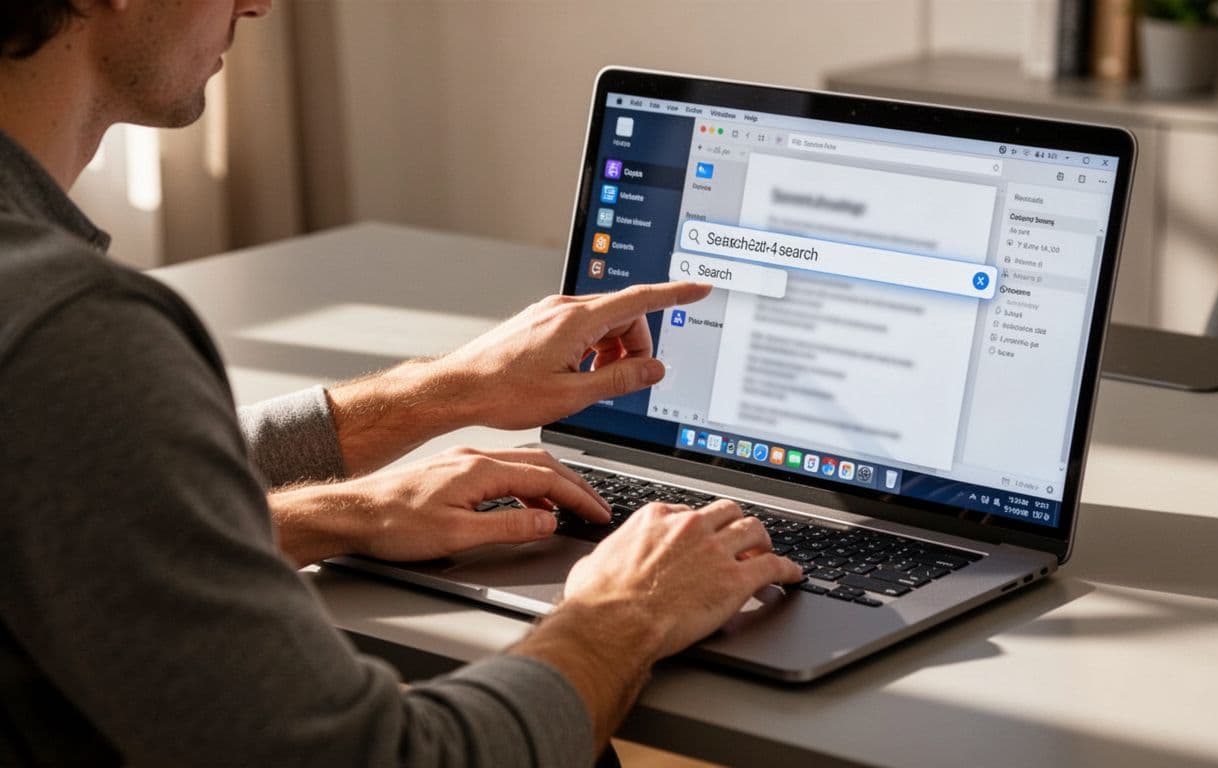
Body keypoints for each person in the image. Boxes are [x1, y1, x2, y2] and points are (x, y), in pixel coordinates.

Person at [0, 1, 802, 765]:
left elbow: (89, 490)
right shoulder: (71, 332)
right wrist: (624, 614)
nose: (258, 6)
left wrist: (413, 424)